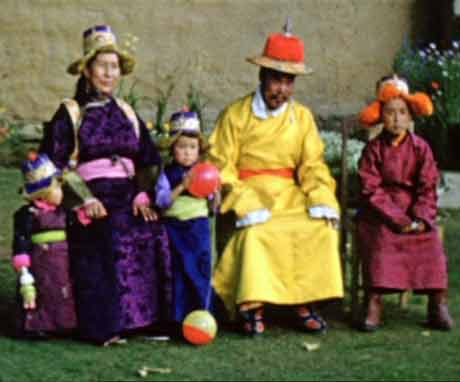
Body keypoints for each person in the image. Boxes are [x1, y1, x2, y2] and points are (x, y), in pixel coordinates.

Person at [208, 21, 344, 336]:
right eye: (275, 79)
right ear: (261, 76)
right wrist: (244, 200)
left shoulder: (303, 117)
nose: (280, 89)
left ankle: (303, 301)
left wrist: (321, 198)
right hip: (249, 192)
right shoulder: (236, 114)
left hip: (290, 194)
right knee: (257, 234)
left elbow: (313, 165)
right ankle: (252, 304)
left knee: (318, 229)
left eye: (288, 81)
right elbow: (221, 165)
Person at [39, 25, 172, 346]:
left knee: (154, 229)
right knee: (107, 230)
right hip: (90, 195)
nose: (109, 74)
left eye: (114, 68)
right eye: (102, 67)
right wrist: (84, 200)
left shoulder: (126, 112)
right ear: (87, 69)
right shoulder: (70, 113)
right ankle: (107, 325)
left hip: (128, 192)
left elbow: (148, 158)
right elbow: (54, 165)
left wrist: (143, 192)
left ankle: (149, 321)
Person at [357, 74, 453, 331]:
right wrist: (397, 219)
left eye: (402, 112)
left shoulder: (421, 148)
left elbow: (427, 186)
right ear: (381, 117)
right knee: (381, 239)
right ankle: (374, 301)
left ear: (410, 117)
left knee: (429, 239)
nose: (397, 119)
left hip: (414, 209)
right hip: (381, 211)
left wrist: (420, 218)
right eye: (390, 113)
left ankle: (437, 303)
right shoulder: (373, 150)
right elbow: (370, 189)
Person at [154, 110, 218, 331]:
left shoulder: (205, 172)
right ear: (172, 148)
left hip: (198, 227)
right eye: (181, 147)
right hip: (174, 228)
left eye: (192, 147)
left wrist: (215, 193)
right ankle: (178, 320)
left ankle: (202, 315)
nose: (187, 153)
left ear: (199, 150)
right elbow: (162, 201)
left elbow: (212, 205)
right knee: (178, 271)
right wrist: (182, 185)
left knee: (200, 270)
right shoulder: (168, 174)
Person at [12, 152, 77, 339]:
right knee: (43, 289)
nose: (61, 193)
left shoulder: (63, 213)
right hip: (41, 259)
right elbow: (21, 239)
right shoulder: (28, 214)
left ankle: (64, 323)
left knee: (62, 288)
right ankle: (36, 325)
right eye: (57, 188)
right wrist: (24, 270)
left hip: (61, 258)